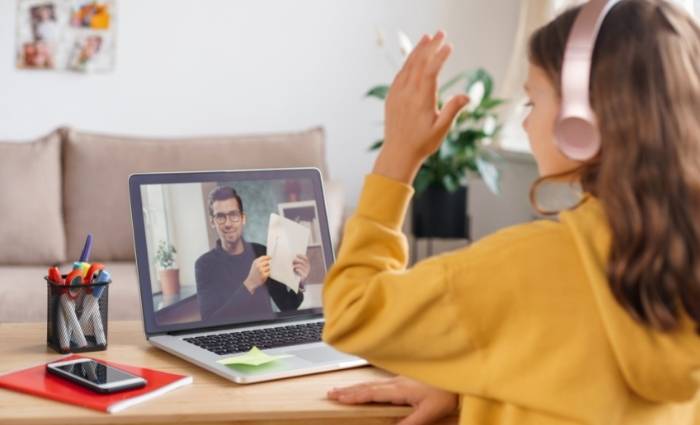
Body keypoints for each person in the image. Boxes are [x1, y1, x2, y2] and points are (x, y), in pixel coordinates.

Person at [321, 1, 700, 424]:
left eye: (532, 102)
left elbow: (351, 312)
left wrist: (398, 155)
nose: (525, 124)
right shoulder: (684, 268)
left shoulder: (525, 266)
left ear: (582, 122)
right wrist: (474, 380)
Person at [195, 186, 310, 322]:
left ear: (243, 218)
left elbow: (288, 306)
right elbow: (209, 321)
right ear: (212, 222)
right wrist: (249, 284)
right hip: (231, 340)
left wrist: (300, 281)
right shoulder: (204, 265)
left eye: (234, 215)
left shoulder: (262, 252)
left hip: (266, 336)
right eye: (220, 217)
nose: (228, 224)